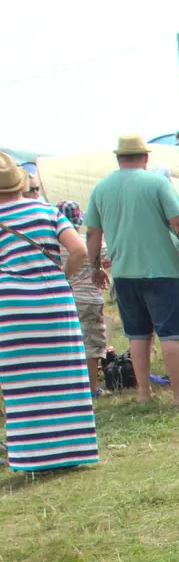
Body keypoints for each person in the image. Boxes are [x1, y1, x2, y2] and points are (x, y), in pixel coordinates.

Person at [83, 135, 179, 406]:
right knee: (170, 334)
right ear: (145, 157)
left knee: (137, 335)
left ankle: (143, 394)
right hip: (161, 271)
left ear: (118, 158)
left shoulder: (101, 188)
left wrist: (95, 266)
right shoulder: (157, 182)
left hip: (124, 272)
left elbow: (92, 231)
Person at [0, 154, 99, 472]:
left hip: (10, 306)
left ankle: (32, 457)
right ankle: (72, 450)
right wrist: (62, 274)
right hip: (54, 300)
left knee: (23, 383)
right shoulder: (46, 210)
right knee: (64, 375)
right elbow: (80, 250)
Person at [55, 201, 106, 395]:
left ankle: (68, 386)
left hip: (64, 298)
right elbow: (106, 256)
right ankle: (92, 388)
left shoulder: (53, 245)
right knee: (92, 343)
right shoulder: (86, 243)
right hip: (89, 298)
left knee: (66, 343)